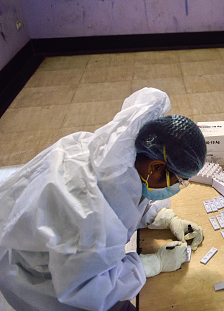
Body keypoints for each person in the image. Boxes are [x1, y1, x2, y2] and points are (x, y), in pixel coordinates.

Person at [0, 88, 207, 311]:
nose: (177, 187)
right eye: (179, 180)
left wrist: (163, 217)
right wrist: (152, 264)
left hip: (50, 253)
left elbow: (126, 198)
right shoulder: (91, 215)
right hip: (42, 284)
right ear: (156, 166)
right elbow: (91, 290)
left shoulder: (114, 157)